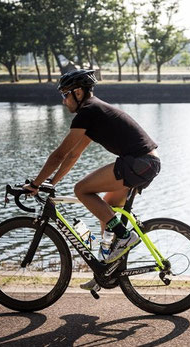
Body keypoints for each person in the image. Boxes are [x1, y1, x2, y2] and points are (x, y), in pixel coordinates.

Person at [23, 69, 160, 289]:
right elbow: (72, 155)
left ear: (78, 92)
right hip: (145, 164)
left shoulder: (88, 111)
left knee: (82, 190)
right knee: (106, 208)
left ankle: (124, 236)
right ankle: (105, 272)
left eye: (65, 94)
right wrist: (51, 183)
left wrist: (36, 184)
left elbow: (59, 154)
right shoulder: (94, 112)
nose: (63, 101)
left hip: (140, 163)